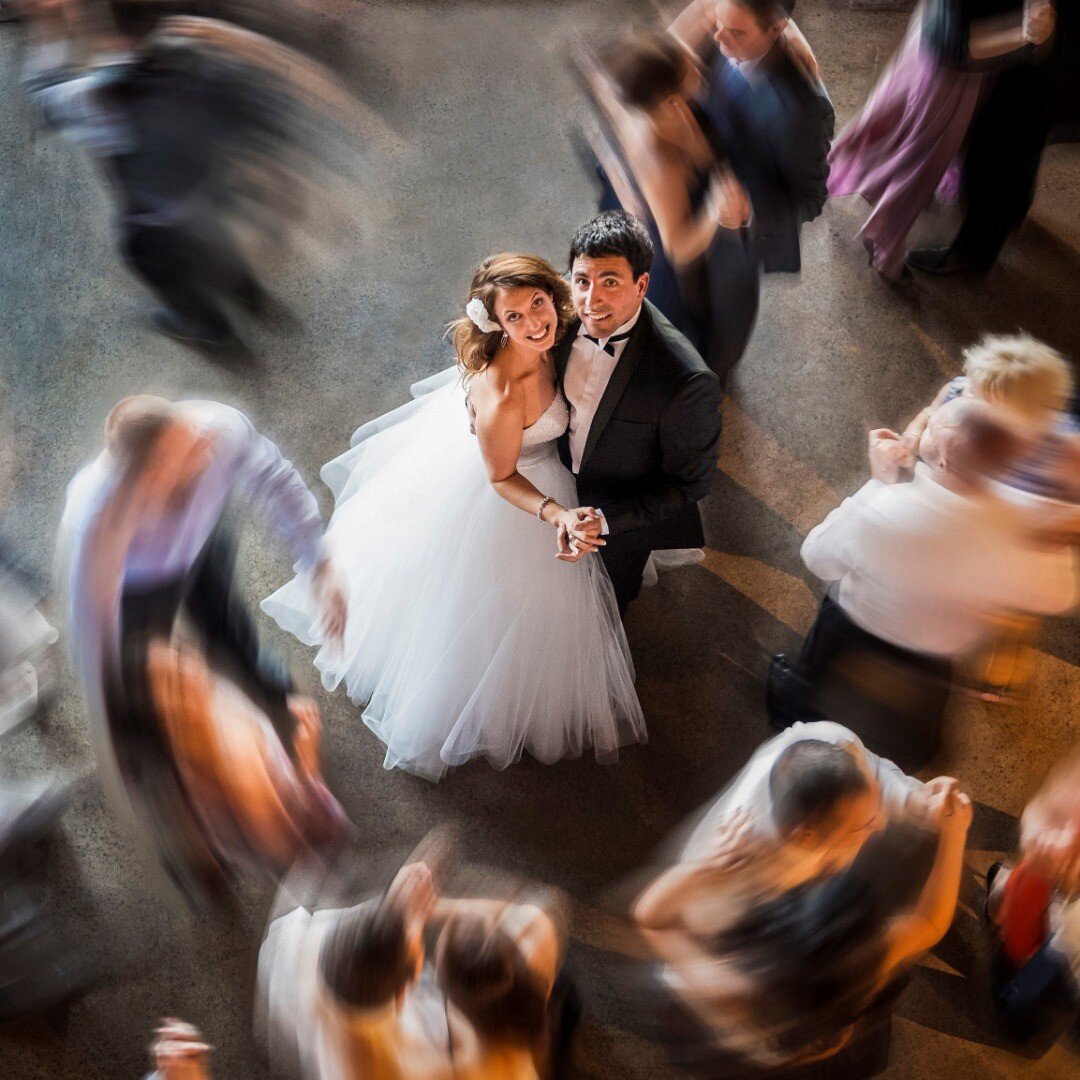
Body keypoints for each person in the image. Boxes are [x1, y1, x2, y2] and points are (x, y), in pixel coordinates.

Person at [264, 251, 650, 781]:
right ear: (495, 323)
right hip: (522, 485)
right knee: (500, 607)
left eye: (538, 303)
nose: (535, 323)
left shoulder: (558, 329)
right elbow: (500, 478)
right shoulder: (501, 396)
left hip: (544, 465)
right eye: (514, 318)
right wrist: (555, 512)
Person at [58, 395, 346, 904]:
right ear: (146, 478)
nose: (208, 449)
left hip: (201, 545)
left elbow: (273, 480)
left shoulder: (214, 431)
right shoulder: (96, 517)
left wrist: (318, 563)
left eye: (195, 436)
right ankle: (189, 835)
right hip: (136, 593)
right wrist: (114, 724)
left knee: (228, 628)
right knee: (157, 719)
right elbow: (94, 628)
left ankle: (266, 691)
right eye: (187, 452)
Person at [767, 398, 1079, 768]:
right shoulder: (1016, 533)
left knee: (814, 679)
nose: (923, 426)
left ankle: (793, 714)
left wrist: (877, 481)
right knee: (919, 714)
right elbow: (1061, 594)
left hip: (854, 625)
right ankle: (904, 755)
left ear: (943, 462)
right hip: (934, 656)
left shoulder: (884, 507)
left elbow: (817, 557)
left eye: (930, 428)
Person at [639, 796, 972, 1075]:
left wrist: (708, 866)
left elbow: (652, 920)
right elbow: (929, 921)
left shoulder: (733, 990)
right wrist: (954, 834)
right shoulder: (865, 962)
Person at [633, 721, 955, 937]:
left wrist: (913, 800)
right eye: (863, 826)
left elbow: (877, 775)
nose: (881, 823)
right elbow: (685, 921)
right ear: (805, 836)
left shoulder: (833, 742)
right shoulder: (737, 856)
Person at [556, 211, 722, 614]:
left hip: (619, 515)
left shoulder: (685, 381)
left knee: (610, 597)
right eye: (582, 282)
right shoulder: (557, 316)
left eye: (610, 282)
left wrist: (605, 522)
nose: (591, 301)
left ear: (641, 285)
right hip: (552, 480)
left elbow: (689, 485)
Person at [827, 0, 1055, 283]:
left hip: (929, 46)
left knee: (893, 124)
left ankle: (840, 167)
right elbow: (963, 45)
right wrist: (1026, 35)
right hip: (950, 75)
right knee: (921, 165)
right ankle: (885, 242)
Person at [906, 0, 1074, 274]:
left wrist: (1026, 33)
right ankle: (1014, 210)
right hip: (1048, 61)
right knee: (1025, 136)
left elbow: (959, 45)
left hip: (1037, 61)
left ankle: (974, 250)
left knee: (993, 152)